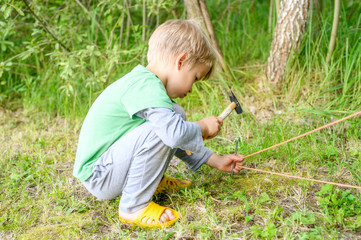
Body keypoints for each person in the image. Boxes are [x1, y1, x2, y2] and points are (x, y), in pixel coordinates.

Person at [73, 19, 245, 228]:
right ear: (180, 61)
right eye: (195, 77)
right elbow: (173, 135)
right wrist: (202, 128)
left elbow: (174, 134)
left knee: (175, 114)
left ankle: (148, 181)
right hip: (100, 175)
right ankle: (133, 207)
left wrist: (216, 160)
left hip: (110, 167)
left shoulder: (146, 86)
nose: (191, 89)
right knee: (167, 127)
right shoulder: (145, 86)